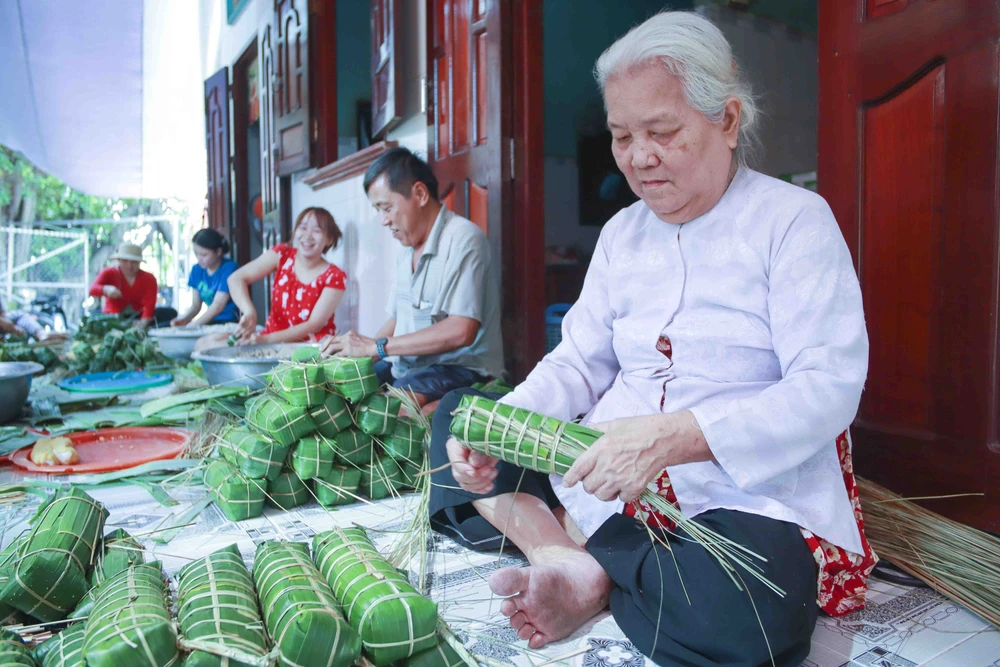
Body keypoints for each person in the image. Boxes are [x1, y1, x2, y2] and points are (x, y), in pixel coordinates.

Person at [432, 12, 877, 667]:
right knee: (457, 418)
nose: (639, 157)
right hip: (602, 466)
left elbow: (827, 387)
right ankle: (564, 553)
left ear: (727, 120)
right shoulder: (621, 235)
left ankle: (585, 560)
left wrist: (673, 437)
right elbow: (581, 359)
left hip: (733, 492)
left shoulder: (793, 222)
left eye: (661, 132)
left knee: (750, 616)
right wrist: (501, 423)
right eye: (621, 136)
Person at [320, 147, 503, 407]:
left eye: (386, 208)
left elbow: (462, 330)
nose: (383, 221)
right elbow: (397, 319)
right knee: (337, 394)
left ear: (419, 194)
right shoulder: (407, 249)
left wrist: (378, 347)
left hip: (459, 368)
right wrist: (360, 355)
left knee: (386, 413)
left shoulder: (464, 238)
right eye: (378, 211)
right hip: (408, 366)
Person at [196, 207, 346, 350]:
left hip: (309, 346)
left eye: (317, 230)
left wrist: (263, 340)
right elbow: (235, 279)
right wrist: (249, 313)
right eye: (303, 227)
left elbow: (314, 325)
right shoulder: (282, 254)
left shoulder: (334, 276)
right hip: (270, 339)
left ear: (329, 239)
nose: (308, 235)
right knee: (204, 344)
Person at [171, 228, 240, 327]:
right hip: (210, 321)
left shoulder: (229, 268)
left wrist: (192, 326)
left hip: (229, 322)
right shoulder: (196, 270)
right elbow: (195, 305)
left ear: (218, 252)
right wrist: (183, 319)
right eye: (196, 254)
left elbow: (218, 306)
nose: (199, 258)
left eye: (204, 254)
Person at [89, 242, 158, 328]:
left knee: (168, 313)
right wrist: (106, 289)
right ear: (119, 260)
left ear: (139, 262)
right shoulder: (109, 273)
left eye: (134, 262)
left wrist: (144, 321)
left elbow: (150, 303)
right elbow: (92, 289)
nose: (130, 266)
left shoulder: (149, 278)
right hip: (113, 318)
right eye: (125, 261)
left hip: (137, 317)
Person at [0, 295, 68, 341]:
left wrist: (11, 326)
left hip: (9, 323)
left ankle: (43, 335)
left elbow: (3, 316)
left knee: (21, 316)